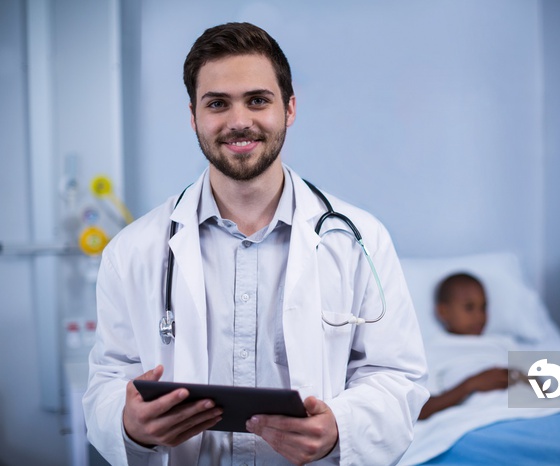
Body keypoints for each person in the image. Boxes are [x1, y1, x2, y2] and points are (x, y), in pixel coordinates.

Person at [83, 22, 429, 466]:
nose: (239, 121)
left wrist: (340, 428)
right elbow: (108, 380)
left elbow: (395, 376)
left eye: (258, 100)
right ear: (194, 117)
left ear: (289, 109)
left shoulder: (360, 240)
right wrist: (129, 425)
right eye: (217, 104)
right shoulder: (132, 251)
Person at [418, 273, 523, 420]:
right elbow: (420, 410)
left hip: (533, 411)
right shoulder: (430, 350)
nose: (479, 317)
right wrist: (471, 384)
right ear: (443, 311)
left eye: (483, 307)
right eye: (469, 307)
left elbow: (544, 391)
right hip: (484, 418)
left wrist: (521, 376)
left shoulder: (504, 343)